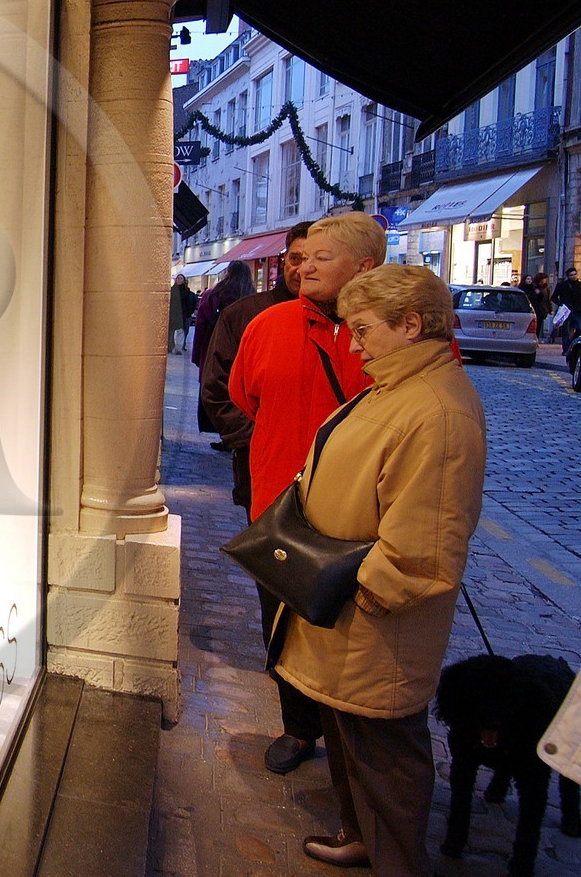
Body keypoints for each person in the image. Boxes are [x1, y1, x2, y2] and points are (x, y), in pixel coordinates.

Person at [282, 264, 486, 874]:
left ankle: (395, 860)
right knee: (355, 744)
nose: (353, 341)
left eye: (364, 328)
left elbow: (425, 544)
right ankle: (361, 836)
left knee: (387, 755)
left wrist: (362, 598)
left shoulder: (437, 410)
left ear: (412, 325)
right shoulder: (398, 385)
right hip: (344, 609)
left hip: (373, 620)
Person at [228, 211, 383, 774]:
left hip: (362, 516)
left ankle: (355, 742)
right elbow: (244, 397)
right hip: (281, 504)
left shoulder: (394, 332)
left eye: (322, 257)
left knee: (355, 633)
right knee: (282, 621)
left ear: (365, 266)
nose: (303, 265)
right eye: (302, 256)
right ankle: (298, 727)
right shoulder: (267, 326)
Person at [201, 222, 311, 511]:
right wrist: (253, 438)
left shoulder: (347, 323)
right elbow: (215, 386)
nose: (301, 269)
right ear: (284, 260)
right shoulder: (245, 315)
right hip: (260, 468)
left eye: (313, 259)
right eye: (295, 258)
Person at [190, 260, 255, 439]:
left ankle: (222, 431)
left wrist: (197, 356)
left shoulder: (214, 295)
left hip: (213, 347)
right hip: (241, 351)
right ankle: (235, 433)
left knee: (216, 386)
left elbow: (201, 326)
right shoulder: (251, 298)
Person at [554, 267, 581, 363]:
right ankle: (566, 349)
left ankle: (573, 345)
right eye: (571, 275)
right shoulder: (562, 285)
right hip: (566, 311)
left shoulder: (579, 285)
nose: (574, 277)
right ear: (568, 276)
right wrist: (561, 304)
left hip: (577, 310)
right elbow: (554, 297)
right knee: (565, 331)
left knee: (579, 328)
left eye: (575, 274)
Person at [168, 273, 198, 353]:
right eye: (178, 278)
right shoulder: (172, 290)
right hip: (173, 313)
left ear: (184, 280)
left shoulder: (187, 291)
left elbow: (189, 302)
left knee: (180, 331)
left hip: (182, 314)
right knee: (171, 331)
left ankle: (178, 348)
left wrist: (189, 311)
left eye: (181, 278)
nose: (179, 280)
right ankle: (170, 346)